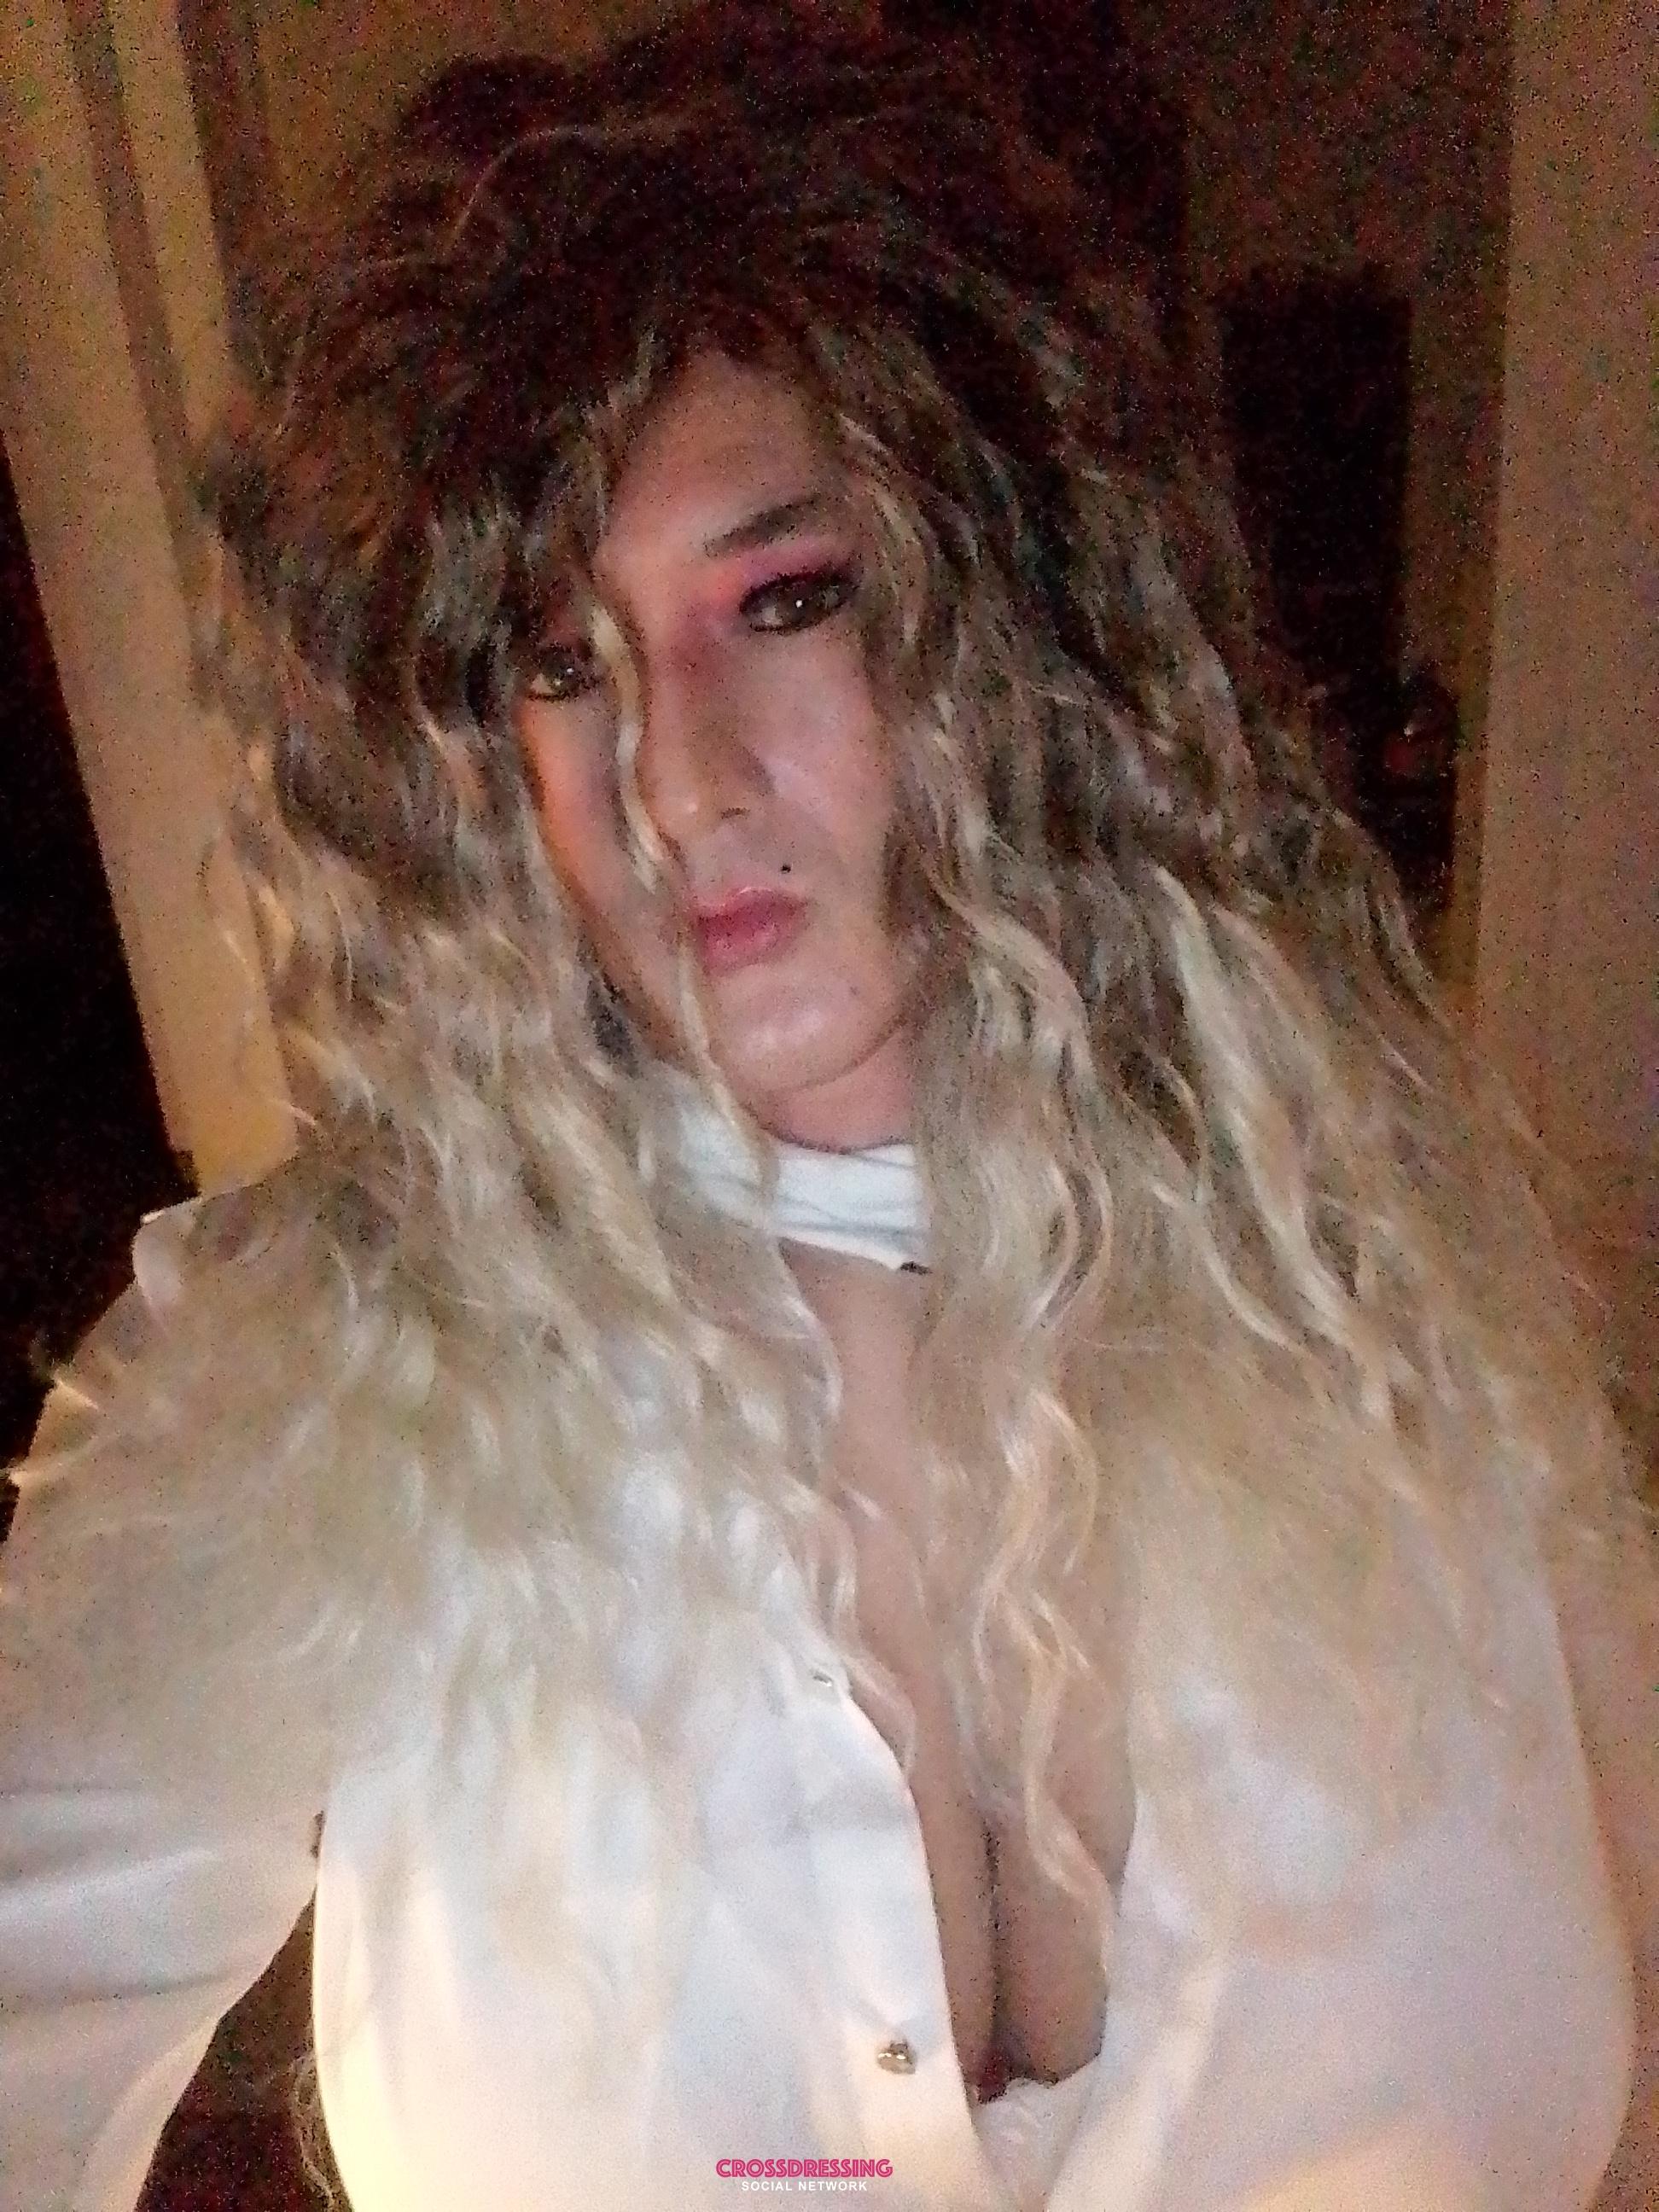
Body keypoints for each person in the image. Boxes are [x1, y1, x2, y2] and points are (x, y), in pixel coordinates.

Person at [2, 10, 1654, 2209]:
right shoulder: (299, 1366)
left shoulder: (1391, 1277)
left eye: (783, 601)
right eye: (561, 663)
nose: (677, 781)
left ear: (1023, 630)